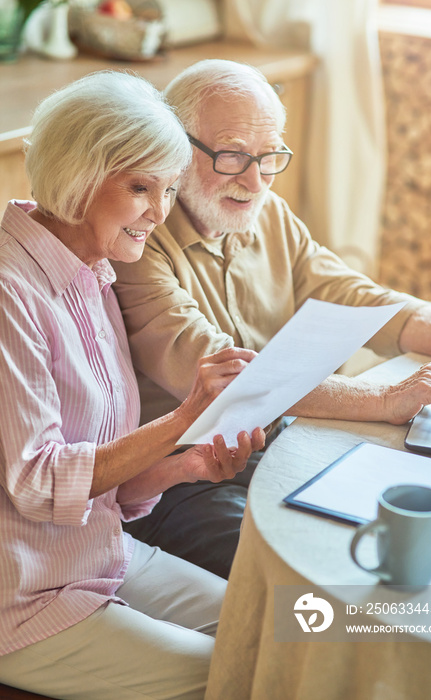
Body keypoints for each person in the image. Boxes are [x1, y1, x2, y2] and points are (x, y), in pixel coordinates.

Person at [112, 59, 431, 580]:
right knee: (304, 578)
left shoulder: (266, 212)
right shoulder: (137, 241)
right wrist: (389, 399)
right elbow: (225, 380)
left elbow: (362, 300)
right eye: (232, 155)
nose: (255, 181)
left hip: (278, 442)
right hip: (177, 481)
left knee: (414, 532)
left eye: (270, 155)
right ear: (173, 147)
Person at [0, 70, 265, 700]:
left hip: (98, 552)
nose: (158, 211)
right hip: (23, 594)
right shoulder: (10, 290)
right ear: (80, 176)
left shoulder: (94, 272)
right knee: (240, 678)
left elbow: (98, 478)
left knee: (276, 636)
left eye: (168, 188)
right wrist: (181, 418)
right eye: (139, 186)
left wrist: (183, 466)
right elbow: (41, 482)